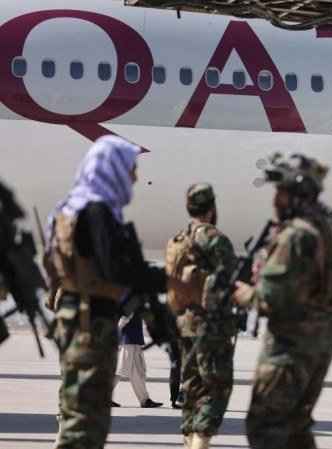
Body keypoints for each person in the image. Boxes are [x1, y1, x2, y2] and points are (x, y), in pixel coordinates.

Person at [44, 135, 172, 449]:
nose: (135, 177)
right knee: (87, 422)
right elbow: (115, 269)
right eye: (130, 168)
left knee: (78, 412)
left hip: (76, 318)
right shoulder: (97, 210)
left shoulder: (69, 208)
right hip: (93, 324)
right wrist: (165, 279)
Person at [232, 153, 332, 449]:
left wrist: (242, 292)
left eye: (281, 192)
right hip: (321, 337)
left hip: (291, 345)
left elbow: (270, 299)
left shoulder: (296, 235)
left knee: (266, 427)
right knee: (296, 427)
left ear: (297, 192)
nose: (276, 199)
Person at [165, 183, 237, 449]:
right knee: (216, 388)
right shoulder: (215, 238)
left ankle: (188, 440)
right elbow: (228, 279)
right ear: (212, 207)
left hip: (183, 323)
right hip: (210, 326)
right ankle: (200, 444)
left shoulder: (177, 240)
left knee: (192, 386)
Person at [112, 312, 163, 408]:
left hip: (134, 342)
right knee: (120, 371)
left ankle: (145, 400)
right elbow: (122, 321)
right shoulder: (133, 302)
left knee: (137, 373)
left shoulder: (137, 303)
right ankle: (103, 397)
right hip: (128, 343)